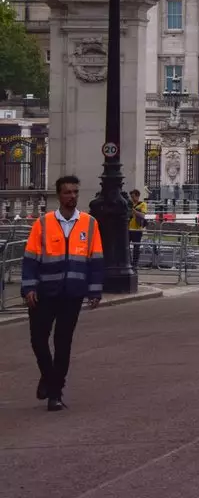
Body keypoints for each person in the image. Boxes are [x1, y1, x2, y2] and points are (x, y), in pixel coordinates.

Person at [21, 175, 105, 411]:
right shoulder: (43, 223)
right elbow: (30, 259)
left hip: (72, 292)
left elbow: (96, 260)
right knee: (38, 340)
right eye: (67, 192)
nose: (72, 196)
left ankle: (55, 393)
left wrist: (94, 290)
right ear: (59, 195)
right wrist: (29, 287)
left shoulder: (90, 223)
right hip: (44, 291)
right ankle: (49, 377)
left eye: (75, 192)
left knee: (63, 342)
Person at [127, 188, 147, 268]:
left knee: (136, 248)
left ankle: (135, 263)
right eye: (131, 197)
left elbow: (142, 215)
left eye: (133, 197)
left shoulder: (142, 204)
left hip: (137, 230)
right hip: (128, 229)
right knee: (126, 247)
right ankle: (129, 262)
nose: (132, 199)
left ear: (137, 196)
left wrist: (133, 210)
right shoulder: (129, 204)